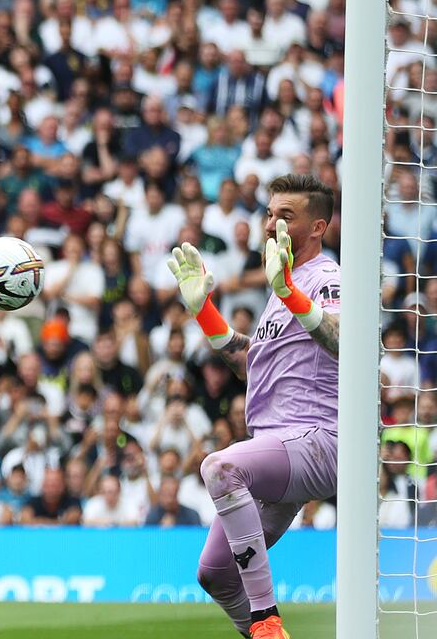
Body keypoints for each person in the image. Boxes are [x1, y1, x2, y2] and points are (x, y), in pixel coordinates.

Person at [168, 174, 340, 639]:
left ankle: (266, 619)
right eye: (269, 214)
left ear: (318, 227)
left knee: (220, 468)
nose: (271, 225)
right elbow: (254, 358)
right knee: (215, 573)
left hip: (321, 440)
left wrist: (289, 292)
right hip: (276, 446)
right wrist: (204, 310)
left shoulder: (326, 278)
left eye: (286, 216)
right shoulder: (282, 284)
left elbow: (349, 343)